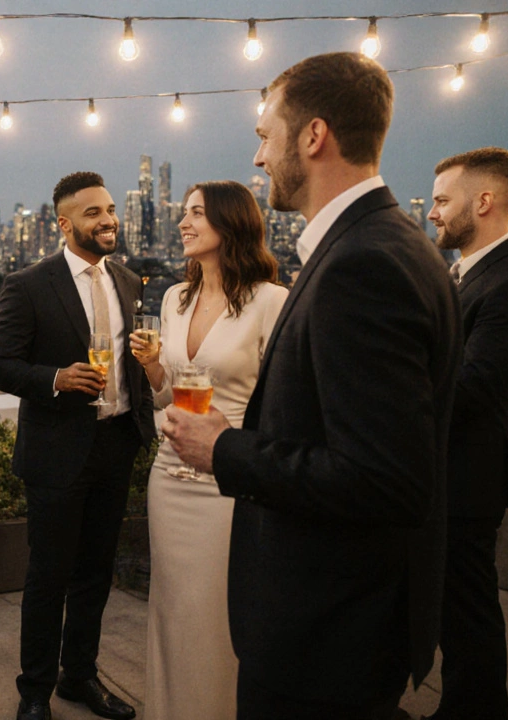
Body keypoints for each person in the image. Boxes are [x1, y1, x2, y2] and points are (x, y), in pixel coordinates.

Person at [161, 52, 462, 719]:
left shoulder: (364, 265)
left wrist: (226, 450)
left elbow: (386, 479)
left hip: (326, 635)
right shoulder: (389, 245)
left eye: (266, 135)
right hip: (342, 622)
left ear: (313, 137)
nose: (260, 158)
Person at [0, 172, 154, 720]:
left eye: (110, 210)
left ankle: (78, 676)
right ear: (64, 224)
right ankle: (34, 690)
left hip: (117, 443)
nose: (108, 220)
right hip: (58, 450)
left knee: (95, 572)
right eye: (94, 213)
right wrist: (56, 379)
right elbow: (1, 365)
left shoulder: (130, 280)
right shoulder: (29, 283)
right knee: (48, 576)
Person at [130, 180, 286, 720]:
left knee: (219, 615)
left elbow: (281, 406)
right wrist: (152, 370)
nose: (183, 222)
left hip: (230, 481)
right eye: (184, 213)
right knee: (171, 611)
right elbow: (168, 395)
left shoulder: (272, 302)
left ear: (231, 223)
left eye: (197, 213)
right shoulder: (175, 298)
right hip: (168, 477)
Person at [424, 148, 508, 720]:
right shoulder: (458, 273)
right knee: (445, 609)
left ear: (484, 201)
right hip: (433, 473)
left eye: (442, 200)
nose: (431, 213)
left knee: (467, 617)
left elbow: (473, 388)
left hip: (465, 481)